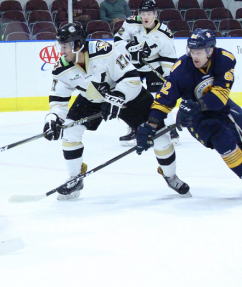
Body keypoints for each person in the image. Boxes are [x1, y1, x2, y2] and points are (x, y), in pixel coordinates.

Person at [43, 23, 188, 200]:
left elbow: (132, 78)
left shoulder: (105, 51)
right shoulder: (61, 68)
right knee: (69, 131)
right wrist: (53, 117)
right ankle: (75, 178)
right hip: (92, 99)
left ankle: (170, 175)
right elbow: (58, 99)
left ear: (77, 44)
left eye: (65, 46)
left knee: (159, 137)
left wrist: (118, 96)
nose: (61, 51)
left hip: (130, 96)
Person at [137, 29, 242, 187]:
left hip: (222, 108)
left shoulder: (224, 59)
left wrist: (197, 105)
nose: (195, 56)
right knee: (224, 142)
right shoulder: (181, 70)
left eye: (199, 52)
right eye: (192, 51)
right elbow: (164, 99)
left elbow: (220, 95)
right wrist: (150, 125)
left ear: (210, 50)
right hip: (196, 118)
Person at [113, 0, 180, 146]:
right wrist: (129, 47)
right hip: (133, 65)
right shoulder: (131, 23)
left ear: (155, 14)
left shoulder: (164, 33)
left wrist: (168, 76)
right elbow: (117, 41)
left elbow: (169, 57)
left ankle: (169, 127)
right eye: (143, 13)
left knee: (160, 96)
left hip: (154, 65)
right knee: (128, 96)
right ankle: (134, 126)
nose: (145, 17)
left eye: (149, 13)